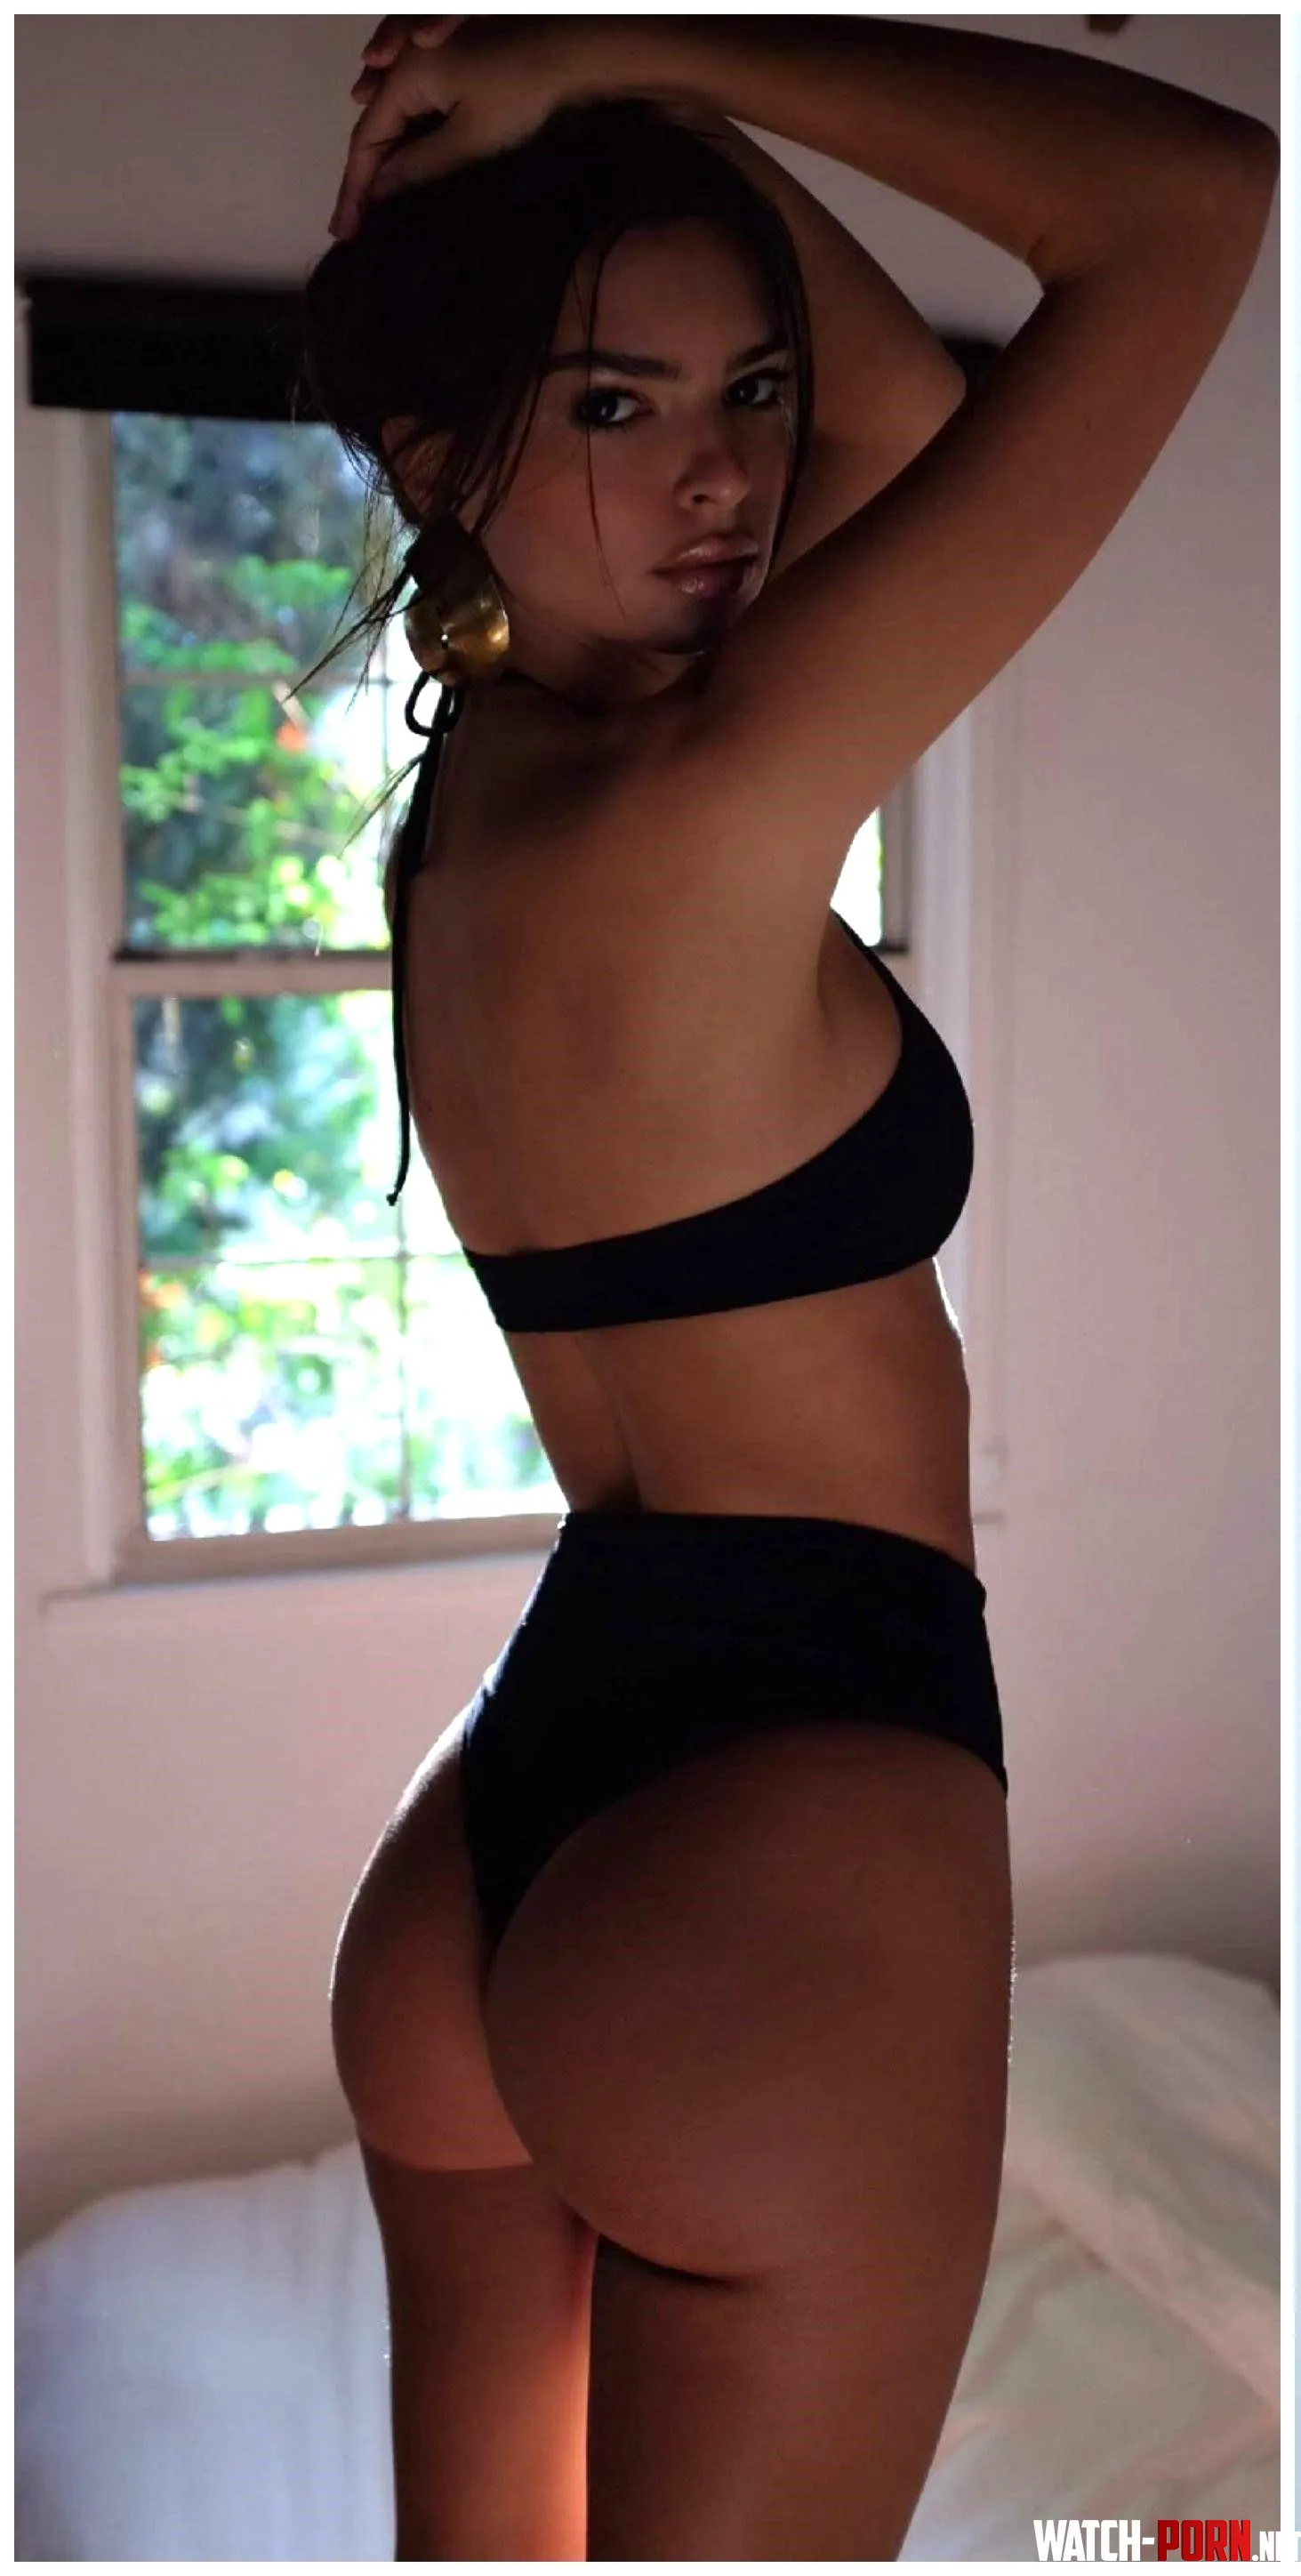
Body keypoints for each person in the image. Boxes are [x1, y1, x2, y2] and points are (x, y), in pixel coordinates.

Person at [303, 17, 1276, 2559]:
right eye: (613, 407)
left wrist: (614, 129)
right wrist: (633, 35)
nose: (724, 474)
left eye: (744, 390)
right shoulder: (709, 791)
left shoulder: (483, 806)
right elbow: (1192, 210)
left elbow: (906, 422)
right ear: (434, 449)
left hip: (502, 1834)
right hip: (788, 1825)